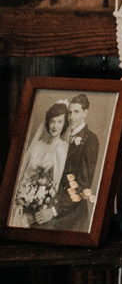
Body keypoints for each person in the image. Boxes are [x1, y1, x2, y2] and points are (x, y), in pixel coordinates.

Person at [7, 103, 68, 228]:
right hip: (24, 199)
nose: (55, 126)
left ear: (64, 124)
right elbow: (24, 173)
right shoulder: (36, 146)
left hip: (42, 204)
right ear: (47, 123)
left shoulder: (61, 148)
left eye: (59, 122)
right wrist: (20, 198)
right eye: (52, 121)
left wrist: (42, 202)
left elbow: (56, 180)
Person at [48, 95, 99, 233]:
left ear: (85, 112)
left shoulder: (90, 140)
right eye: (70, 112)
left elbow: (83, 184)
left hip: (73, 214)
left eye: (76, 112)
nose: (71, 117)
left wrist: (54, 210)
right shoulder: (62, 134)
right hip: (52, 202)